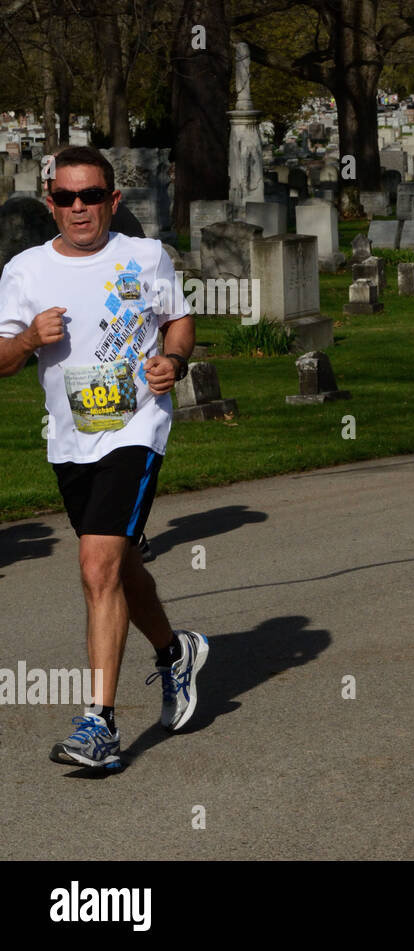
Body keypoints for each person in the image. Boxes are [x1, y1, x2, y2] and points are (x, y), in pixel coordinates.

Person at [0, 146, 207, 770]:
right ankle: (176, 652)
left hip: (136, 427)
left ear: (113, 201)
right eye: (66, 198)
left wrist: (173, 361)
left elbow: (180, 322)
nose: (79, 208)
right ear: (51, 204)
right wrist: (32, 338)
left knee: (96, 567)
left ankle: (99, 725)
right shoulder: (25, 270)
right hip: (69, 437)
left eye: (91, 196)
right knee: (114, 565)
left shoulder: (144, 256)